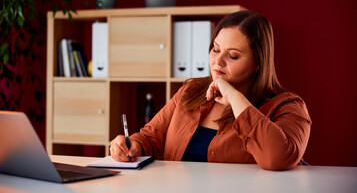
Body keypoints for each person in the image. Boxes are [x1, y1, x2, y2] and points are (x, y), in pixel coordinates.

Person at [110, 10, 311, 170]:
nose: (218, 61)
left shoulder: (288, 106)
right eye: (215, 49)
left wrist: (233, 96)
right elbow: (151, 138)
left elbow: (278, 159)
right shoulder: (191, 91)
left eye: (232, 55)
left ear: (258, 62)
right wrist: (132, 145)